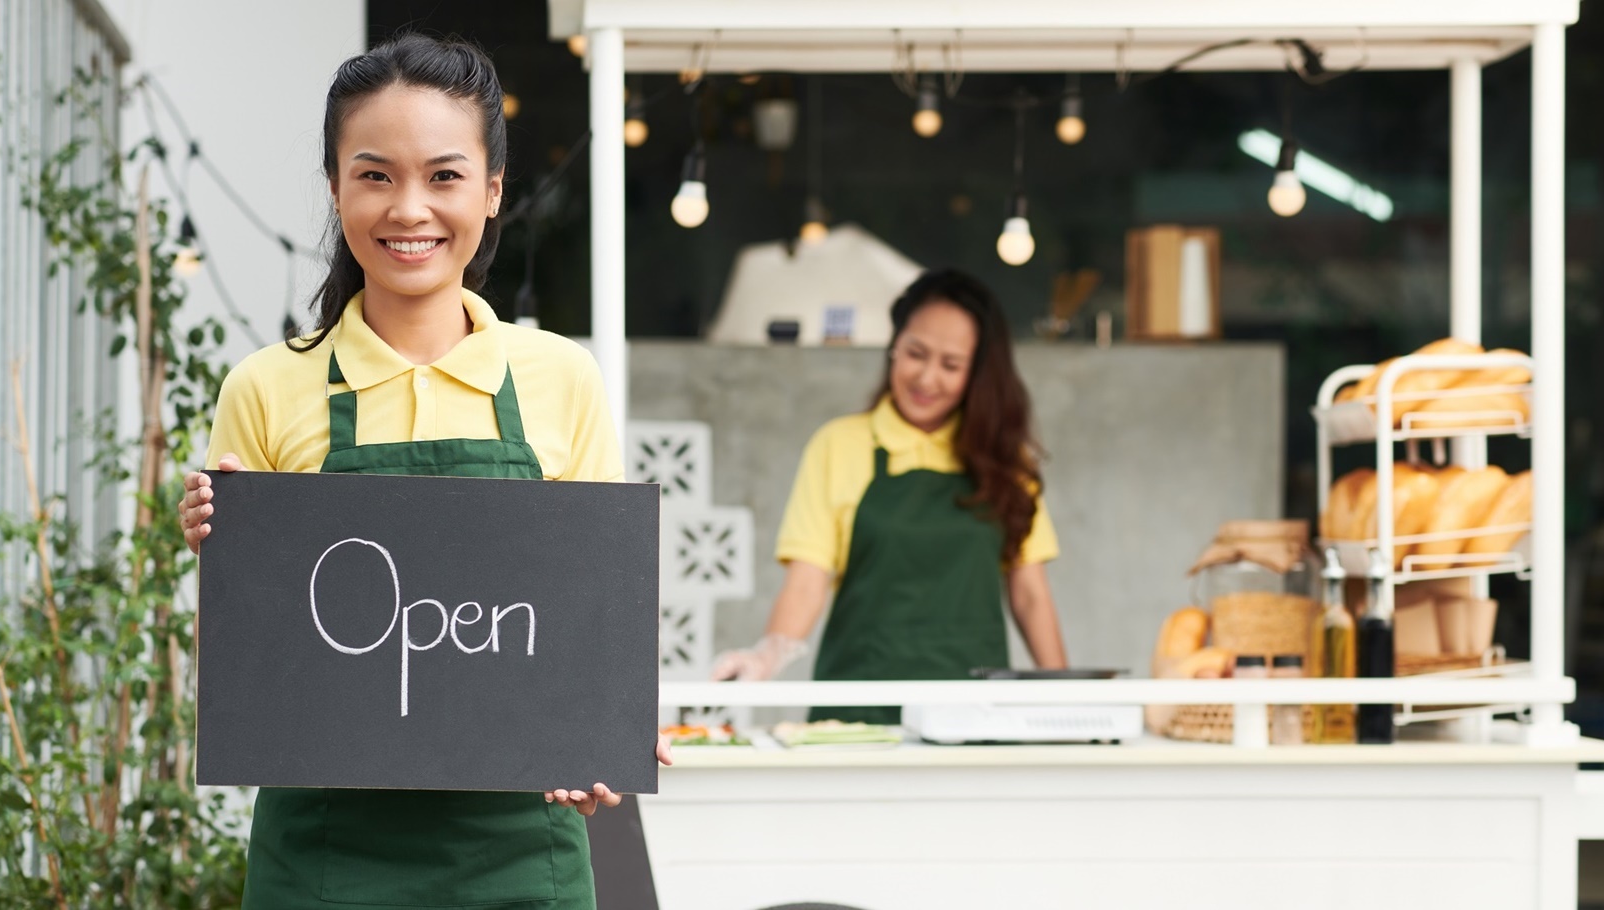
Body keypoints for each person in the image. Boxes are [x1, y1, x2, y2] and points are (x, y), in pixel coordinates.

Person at [175, 34, 667, 909]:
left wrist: (603, 738)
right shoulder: (266, 385)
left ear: (491, 189)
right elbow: (245, 667)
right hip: (323, 852)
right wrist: (225, 556)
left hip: (524, 852)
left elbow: (590, 617)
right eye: (374, 175)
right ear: (334, 186)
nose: (410, 209)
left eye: (443, 176)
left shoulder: (561, 379)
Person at [711, 269, 1069, 725]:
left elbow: (1030, 593)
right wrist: (764, 659)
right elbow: (806, 583)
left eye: (951, 365)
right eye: (915, 353)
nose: (927, 377)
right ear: (893, 347)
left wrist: (1067, 700)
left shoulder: (1005, 461)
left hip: (973, 720)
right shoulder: (838, 445)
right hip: (857, 716)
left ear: (977, 374)